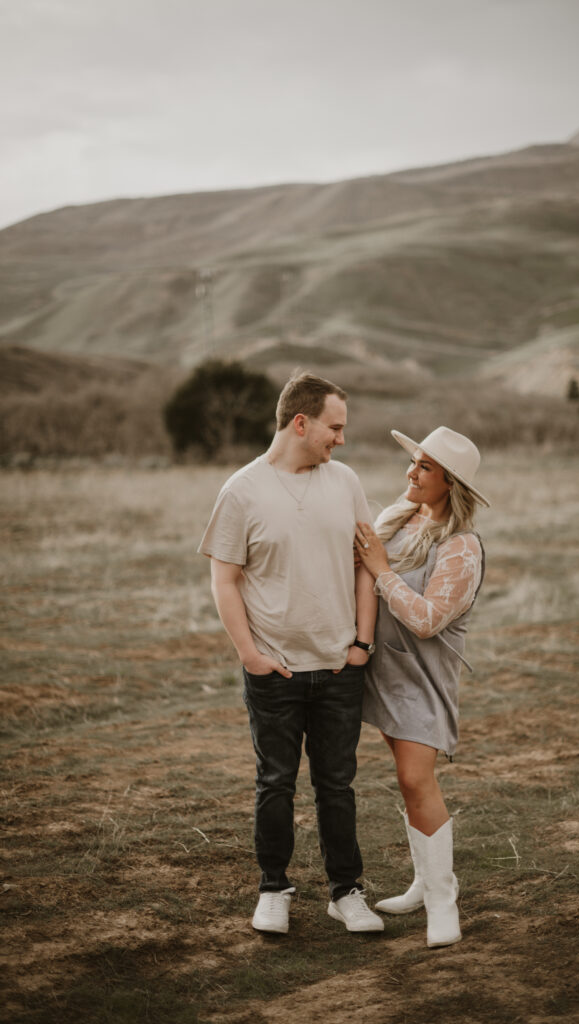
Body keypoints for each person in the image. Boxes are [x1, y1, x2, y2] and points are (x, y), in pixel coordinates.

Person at [198, 371, 383, 936]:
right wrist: (251, 655)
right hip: (274, 670)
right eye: (335, 427)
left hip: (337, 667)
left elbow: (366, 566)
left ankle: (345, 891)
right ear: (300, 423)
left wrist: (361, 644)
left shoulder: (345, 481)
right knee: (275, 783)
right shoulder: (241, 490)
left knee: (337, 785)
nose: (341, 440)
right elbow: (224, 581)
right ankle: (273, 887)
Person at [354, 426, 489, 948]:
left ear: (449, 483)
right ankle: (422, 881)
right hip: (382, 671)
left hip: (422, 679)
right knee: (406, 779)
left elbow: (428, 620)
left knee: (417, 779)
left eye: (424, 467)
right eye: (413, 461)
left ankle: (442, 900)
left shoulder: (462, 547)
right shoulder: (398, 519)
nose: (411, 471)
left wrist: (381, 570)